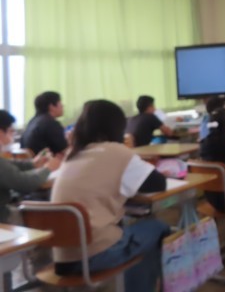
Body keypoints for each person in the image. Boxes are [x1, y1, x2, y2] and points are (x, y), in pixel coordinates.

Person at [52, 100, 169, 292]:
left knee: (132, 232)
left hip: (63, 257)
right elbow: (158, 183)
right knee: (157, 228)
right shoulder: (116, 152)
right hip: (94, 255)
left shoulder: (73, 154)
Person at [0, 110, 61, 223]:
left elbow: (9, 165)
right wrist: (48, 168)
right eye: (11, 131)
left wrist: (33, 163)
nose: (13, 135)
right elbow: (25, 183)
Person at [21, 91, 68, 155]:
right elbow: (64, 150)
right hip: (45, 160)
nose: (62, 105)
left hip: (31, 160)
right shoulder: (51, 123)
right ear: (51, 106)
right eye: (60, 102)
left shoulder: (32, 122)